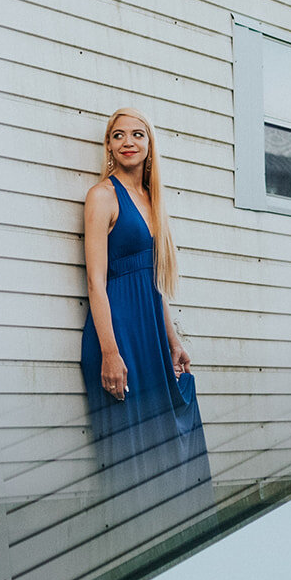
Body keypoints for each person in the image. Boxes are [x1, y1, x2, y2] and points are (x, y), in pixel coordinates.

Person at [81, 107, 208, 483]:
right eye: (118, 135)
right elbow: (95, 282)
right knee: (130, 458)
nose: (127, 142)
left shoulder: (153, 201)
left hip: (151, 333)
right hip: (117, 334)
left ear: (150, 145)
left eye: (137, 134)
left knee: (166, 446)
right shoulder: (102, 195)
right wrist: (109, 352)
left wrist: (172, 341)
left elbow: (153, 281)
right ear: (108, 145)